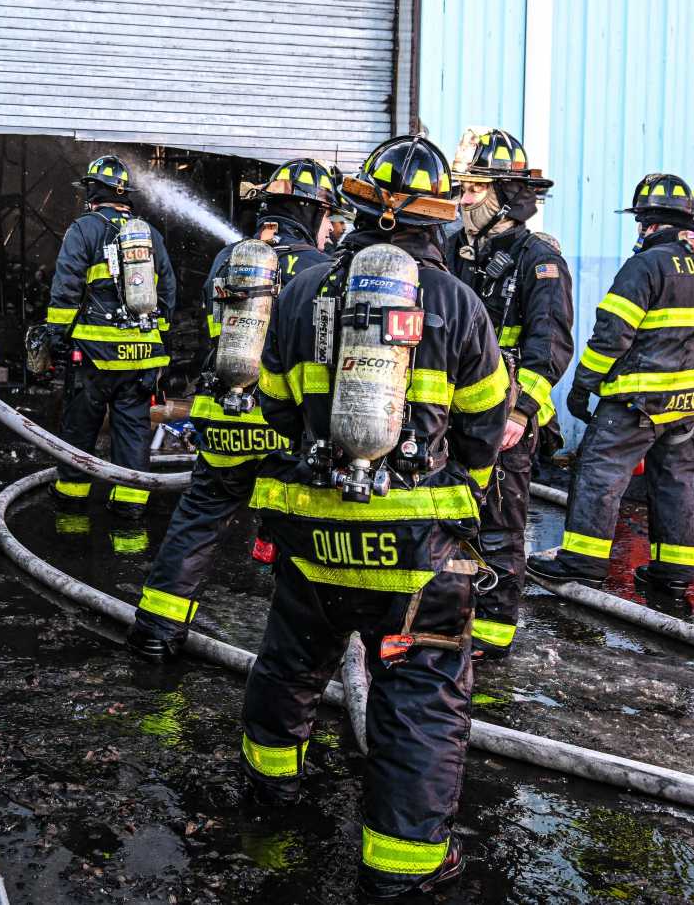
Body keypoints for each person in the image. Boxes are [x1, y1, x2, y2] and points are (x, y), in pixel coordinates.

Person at [242, 135, 509, 898]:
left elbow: (275, 407)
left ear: (353, 208)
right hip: (417, 556)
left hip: (312, 539)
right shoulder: (458, 302)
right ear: (440, 219)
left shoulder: (300, 295)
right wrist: (462, 500)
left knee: (290, 665)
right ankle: (403, 868)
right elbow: (489, 424)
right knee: (419, 695)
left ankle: (272, 795)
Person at [125, 158, 335, 661]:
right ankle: (296, 653)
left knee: (198, 518)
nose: (331, 228)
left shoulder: (230, 260)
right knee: (301, 534)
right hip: (282, 425)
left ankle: (156, 629)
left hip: (221, 417)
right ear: (309, 212)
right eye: (327, 215)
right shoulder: (323, 271)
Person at [527, 174, 694, 602]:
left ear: (648, 224)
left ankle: (582, 562)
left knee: (598, 474)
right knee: (674, 484)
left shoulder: (645, 266)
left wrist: (583, 385)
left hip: (636, 403)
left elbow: (613, 334)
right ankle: (671, 572)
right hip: (687, 404)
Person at [444, 128, 574, 661]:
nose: (463, 199)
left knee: (498, 521)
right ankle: (446, 614)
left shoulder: (538, 259)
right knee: (448, 514)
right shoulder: (453, 249)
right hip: (450, 408)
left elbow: (551, 345)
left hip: (505, 414)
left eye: (474, 188)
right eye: (461, 188)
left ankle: (493, 633)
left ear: (505, 195)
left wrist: (523, 410)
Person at [44, 155, 176, 521]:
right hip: (142, 359)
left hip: (93, 357)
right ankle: (130, 510)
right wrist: (160, 347)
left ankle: (70, 507)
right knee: (133, 433)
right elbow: (167, 295)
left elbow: (66, 289)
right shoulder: (149, 234)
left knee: (79, 430)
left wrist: (58, 338)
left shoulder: (84, 229)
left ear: (91, 193)